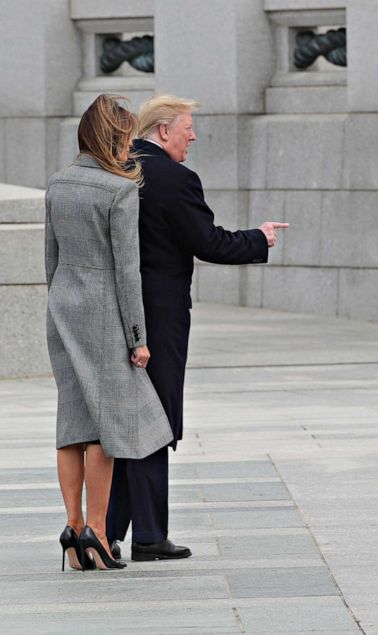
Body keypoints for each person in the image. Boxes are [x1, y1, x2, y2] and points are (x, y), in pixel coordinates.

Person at [105, 95, 288, 561]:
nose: (193, 136)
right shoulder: (174, 178)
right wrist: (258, 237)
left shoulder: (114, 168)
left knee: (129, 417)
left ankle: (110, 529)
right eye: (188, 128)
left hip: (111, 311)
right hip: (159, 317)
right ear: (163, 130)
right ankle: (145, 534)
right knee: (155, 417)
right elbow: (207, 242)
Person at [46, 94, 174, 571]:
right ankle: (97, 533)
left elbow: (50, 260)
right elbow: (127, 272)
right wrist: (138, 338)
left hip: (63, 310)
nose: (129, 149)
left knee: (70, 425)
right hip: (104, 316)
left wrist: (59, 309)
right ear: (111, 139)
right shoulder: (118, 190)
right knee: (105, 429)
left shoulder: (57, 185)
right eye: (124, 139)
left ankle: (72, 527)